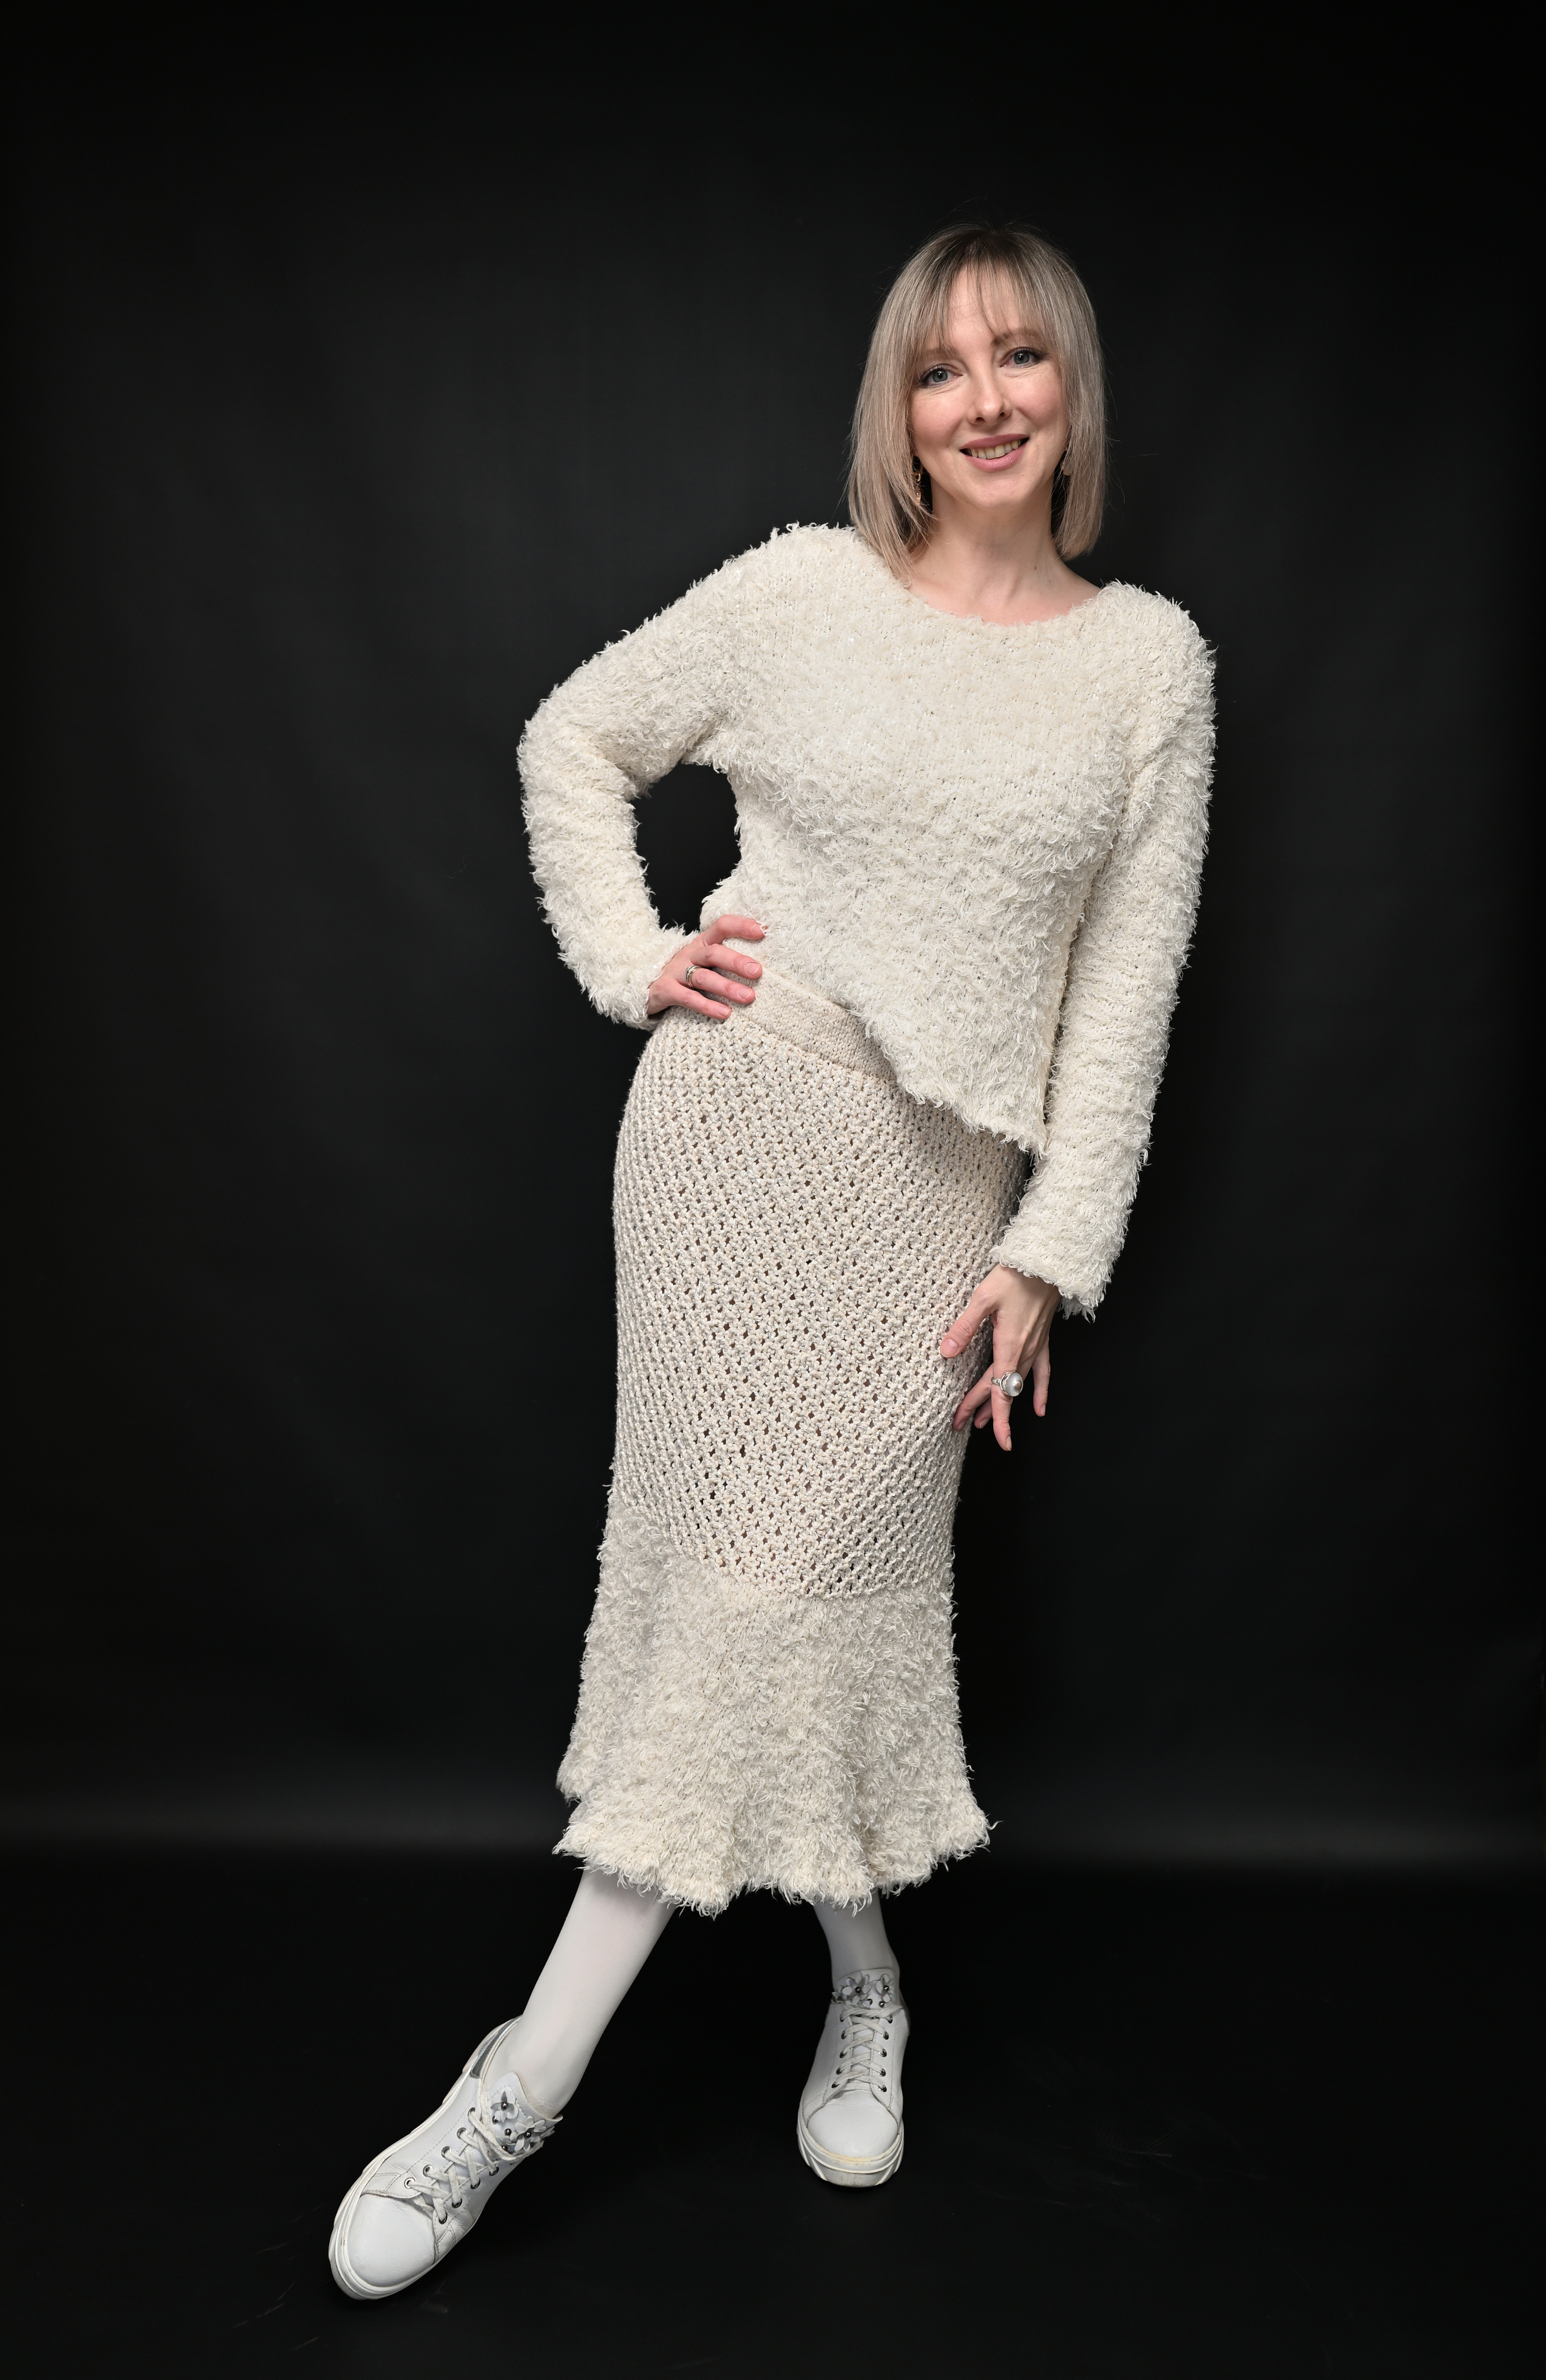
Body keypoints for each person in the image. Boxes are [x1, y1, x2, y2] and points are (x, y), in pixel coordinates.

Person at [329, 221, 1214, 2299]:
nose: (983, 399)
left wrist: (1051, 1253)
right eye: (939, 366)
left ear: (1070, 391)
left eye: (1019, 357)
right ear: (896, 405)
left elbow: (1126, 993)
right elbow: (572, 740)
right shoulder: (799, 593)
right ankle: (564, 2074)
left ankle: (760, 2013)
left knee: (788, 1603)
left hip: (933, 1214)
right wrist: (635, 957)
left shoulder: (1145, 664)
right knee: (737, 1601)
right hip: (728, 1149)